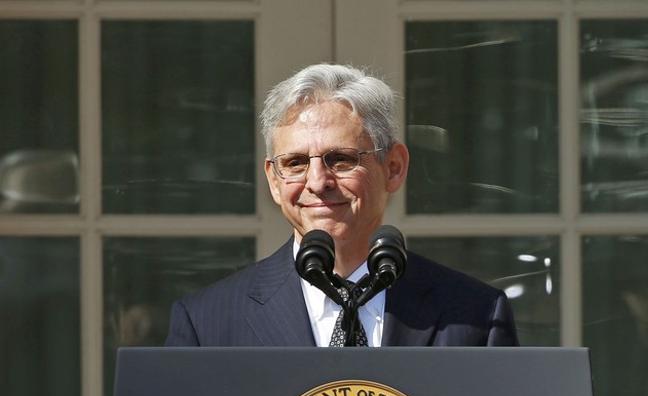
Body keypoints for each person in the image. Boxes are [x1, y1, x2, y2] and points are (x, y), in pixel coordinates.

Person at [166, 63, 517, 347]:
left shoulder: (477, 316)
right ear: (273, 180)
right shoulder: (206, 325)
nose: (318, 182)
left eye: (341, 159)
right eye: (296, 163)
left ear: (393, 167)